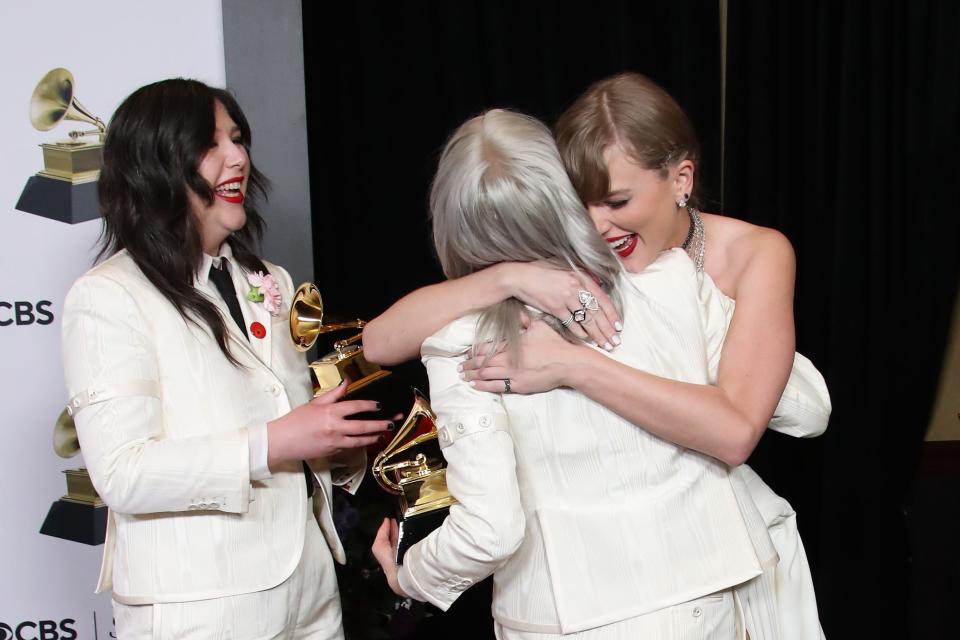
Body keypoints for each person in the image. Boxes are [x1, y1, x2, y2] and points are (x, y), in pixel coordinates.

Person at [365, 74, 827, 640]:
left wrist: (570, 364)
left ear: (682, 178)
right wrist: (515, 276)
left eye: (617, 201)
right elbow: (377, 342)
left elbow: (782, 417)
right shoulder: (660, 280)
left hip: (646, 589)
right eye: (579, 203)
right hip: (697, 587)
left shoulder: (717, 263)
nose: (597, 225)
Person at [60, 79, 391, 639]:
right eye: (211, 144)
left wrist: (340, 441)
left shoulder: (270, 280)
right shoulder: (108, 296)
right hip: (200, 606)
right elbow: (123, 471)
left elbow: (289, 418)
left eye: (238, 139)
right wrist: (278, 441)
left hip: (309, 591)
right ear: (155, 164)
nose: (237, 156)